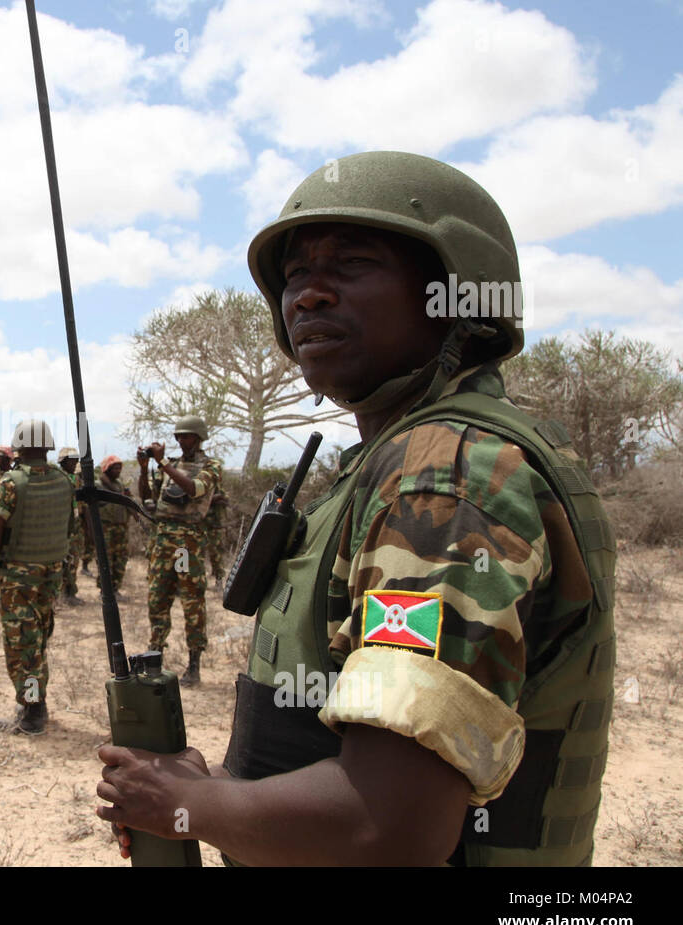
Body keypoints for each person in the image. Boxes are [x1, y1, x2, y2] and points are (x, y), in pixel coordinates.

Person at [97, 151, 616, 867]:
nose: (307, 295)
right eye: (295, 275)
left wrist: (186, 807)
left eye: (351, 264)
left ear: (456, 295)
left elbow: (389, 827)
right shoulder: (398, 461)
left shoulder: (444, 475)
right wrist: (211, 789)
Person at [0, 420, 74, 736]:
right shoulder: (64, 480)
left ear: (19, 446)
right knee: (38, 639)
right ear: (46, 446)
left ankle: (33, 711)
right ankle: (35, 704)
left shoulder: (11, 483)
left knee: (22, 646)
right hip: (51, 572)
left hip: (20, 575)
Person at [136, 417, 222, 686]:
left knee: (191, 601)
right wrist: (144, 469)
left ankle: (194, 664)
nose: (181, 441)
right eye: (178, 437)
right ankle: (155, 657)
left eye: (186, 436)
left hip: (187, 542)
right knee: (157, 599)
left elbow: (195, 489)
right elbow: (149, 498)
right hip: (162, 538)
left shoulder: (211, 466)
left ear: (198, 438)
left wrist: (163, 464)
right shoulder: (169, 465)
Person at [94, 454, 132, 596]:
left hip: (121, 527)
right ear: (107, 469)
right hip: (106, 529)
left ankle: (115, 588)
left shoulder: (120, 485)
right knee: (106, 560)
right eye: (115, 468)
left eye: (119, 468)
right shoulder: (98, 486)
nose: (118, 471)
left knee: (120, 559)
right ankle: (105, 590)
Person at [55, 448, 87, 606]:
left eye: (76, 459)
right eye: (71, 459)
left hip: (76, 525)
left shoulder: (76, 479)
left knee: (74, 559)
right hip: (62, 526)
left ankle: (69, 592)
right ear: (62, 461)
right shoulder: (58, 479)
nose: (75, 462)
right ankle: (64, 593)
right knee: (64, 561)